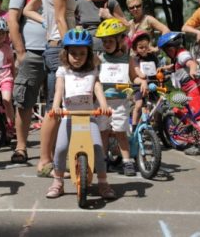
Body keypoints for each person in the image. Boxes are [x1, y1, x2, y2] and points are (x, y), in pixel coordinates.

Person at [23, 0, 82, 175]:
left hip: (52, 46)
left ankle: (52, 159)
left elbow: (30, 10)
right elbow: (59, 17)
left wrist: (48, 26)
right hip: (60, 49)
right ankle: (45, 161)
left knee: (56, 105)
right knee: (55, 107)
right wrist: (71, 49)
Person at [46, 28, 116, 199]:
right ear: (66, 53)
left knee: (98, 149)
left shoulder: (92, 71)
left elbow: (98, 88)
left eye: (82, 53)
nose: (77, 57)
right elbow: (58, 90)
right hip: (68, 117)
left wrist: (105, 106)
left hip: (89, 116)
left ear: (89, 54)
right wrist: (56, 107)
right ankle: (58, 181)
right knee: (61, 148)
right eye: (73, 53)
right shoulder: (63, 71)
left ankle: (103, 182)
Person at [8, 0, 49, 165]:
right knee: (24, 102)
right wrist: (20, 52)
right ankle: (21, 148)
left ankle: (51, 150)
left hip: (56, 53)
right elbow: (12, 20)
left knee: (55, 103)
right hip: (31, 53)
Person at [94, 18, 135, 176]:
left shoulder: (127, 59)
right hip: (102, 102)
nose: (106, 44)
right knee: (103, 131)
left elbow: (134, 76)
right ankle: (103, 160)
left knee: (120, 132)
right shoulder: (100, 59)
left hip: (120, 102)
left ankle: (127, 161)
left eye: (110, 41)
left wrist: (141, 81)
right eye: (104, 41)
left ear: (120, 40)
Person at [157, 32, 200, 155]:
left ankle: (197, 140)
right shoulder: (179, 55)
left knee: (199, 116)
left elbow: (191, 63)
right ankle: (194, 144)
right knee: (197, 115)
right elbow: (177, 65)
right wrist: (166, 68)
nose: (167, 52)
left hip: (194, 88)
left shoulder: (182, 54)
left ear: (172, 48)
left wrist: (192, 71)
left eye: (167, 50)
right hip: (194, 87)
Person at [129, 30, 159, 132]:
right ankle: (133, 126)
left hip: (152, 84)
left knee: (156, 105)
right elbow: (136, 69)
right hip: (140, 85)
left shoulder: (152, 57)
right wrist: (142, 75)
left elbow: (157, 68)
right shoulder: (135, 59)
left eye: (146, 47)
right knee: (138, 104)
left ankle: (155, 127)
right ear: (135, 49)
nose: (144, 49)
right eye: (141, 47)